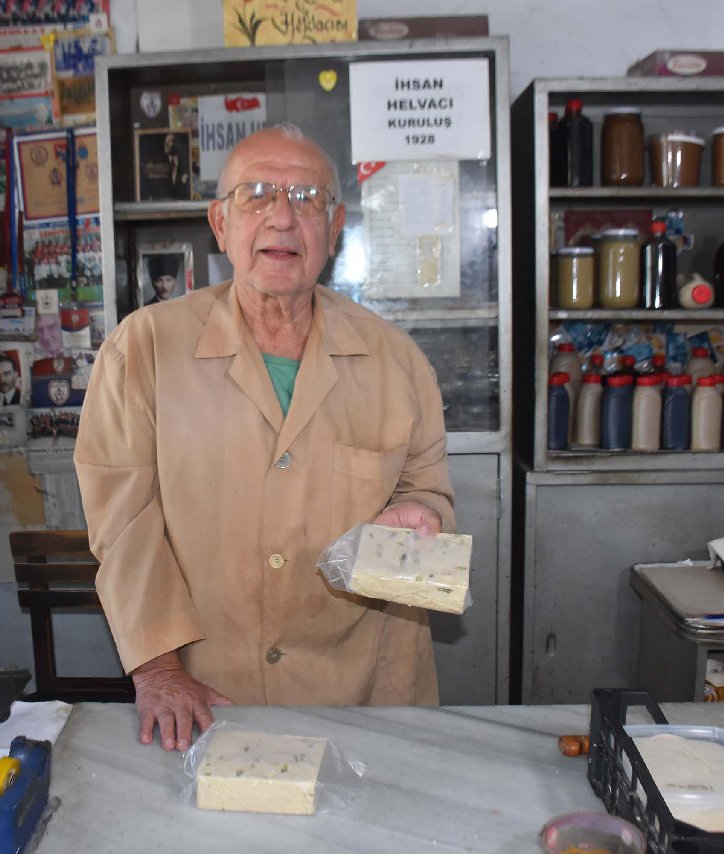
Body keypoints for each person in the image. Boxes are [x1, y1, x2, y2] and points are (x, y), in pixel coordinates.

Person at [74, 124, 454, 753]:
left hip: (364, 698)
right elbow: (124, 524)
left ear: (334, 231)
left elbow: (428, 492)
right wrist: (160, 671)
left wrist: (422, 515)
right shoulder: (142, 350)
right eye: (257, 195)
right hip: (206, 696)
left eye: (307, 199)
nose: (282, 217)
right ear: (220, 224)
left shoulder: (398, 361)